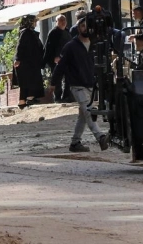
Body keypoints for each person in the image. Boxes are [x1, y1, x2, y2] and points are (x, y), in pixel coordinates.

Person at [57, 24, 109, 153]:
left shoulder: (95, 45)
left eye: (87, 25)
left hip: (90, 84)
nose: (86, 28)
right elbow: (61, 66)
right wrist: (53, 83)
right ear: (78, 28)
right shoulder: (71, 46)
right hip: (77, 84)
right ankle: (100, 137)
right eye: (82, 26)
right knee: (88, 111)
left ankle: (75, 143)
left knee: (83, 115)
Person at [13, 14, 46, 106]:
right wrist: (18, 59)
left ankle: (25, 100)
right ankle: (26, 100)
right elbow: (20, 46)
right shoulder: (26, 33)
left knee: (30, 81)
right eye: (34, 21)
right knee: (28, 82)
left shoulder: (30, 32)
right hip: (27, 63)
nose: (36, 23)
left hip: (31, 62)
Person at [43, 13, 73, 102]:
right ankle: (57, 97)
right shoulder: (53, 33)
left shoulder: (67, 32)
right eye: (61, 20)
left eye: (64, 20)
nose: (63, 22)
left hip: (67, 60)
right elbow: (49, 47)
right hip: (57, 61)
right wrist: (54, 57)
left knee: (68, 79)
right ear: (56, 22)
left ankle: (66, 96)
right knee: (57, 79)